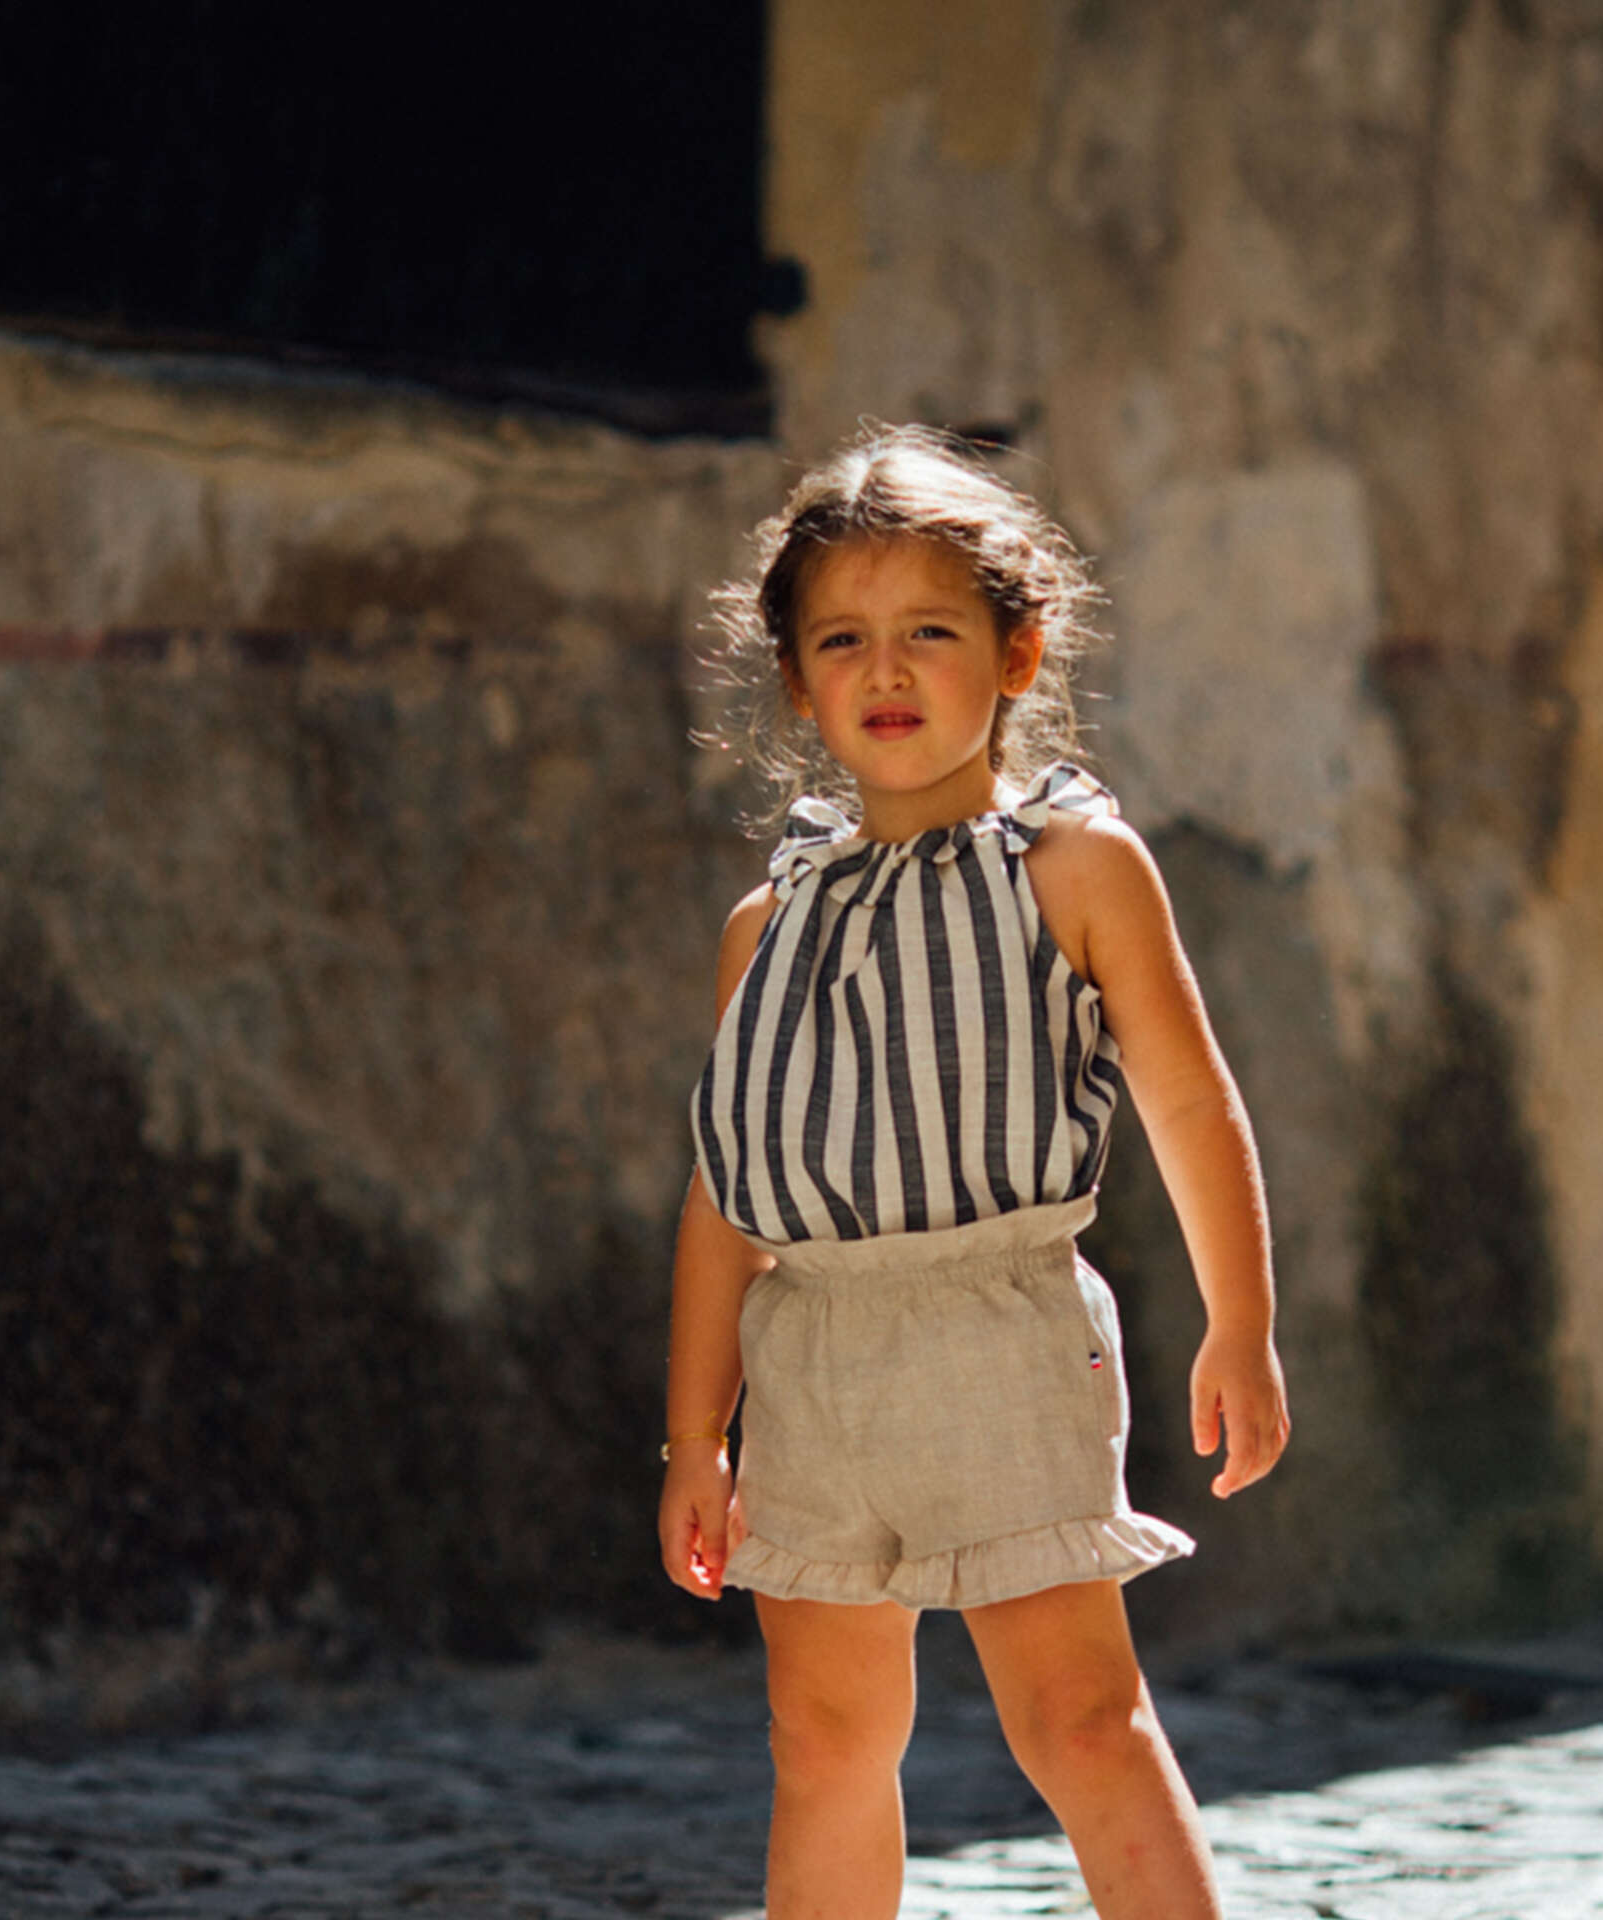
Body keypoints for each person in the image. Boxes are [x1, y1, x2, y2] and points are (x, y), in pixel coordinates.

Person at [659, 424, 1289, 1919]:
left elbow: (1193, 1106)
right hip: (811, 1360)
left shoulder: (1076, 869)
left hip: (1002, 1340)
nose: (885, 672)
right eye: (845, 641)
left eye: (929, 634)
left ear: (1017, 653)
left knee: (1078, 1723)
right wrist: (696, 1434)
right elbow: (725, 1194)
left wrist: (1240, 1323)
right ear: (800, 681)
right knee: (822, 1739)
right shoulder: (769, 923)